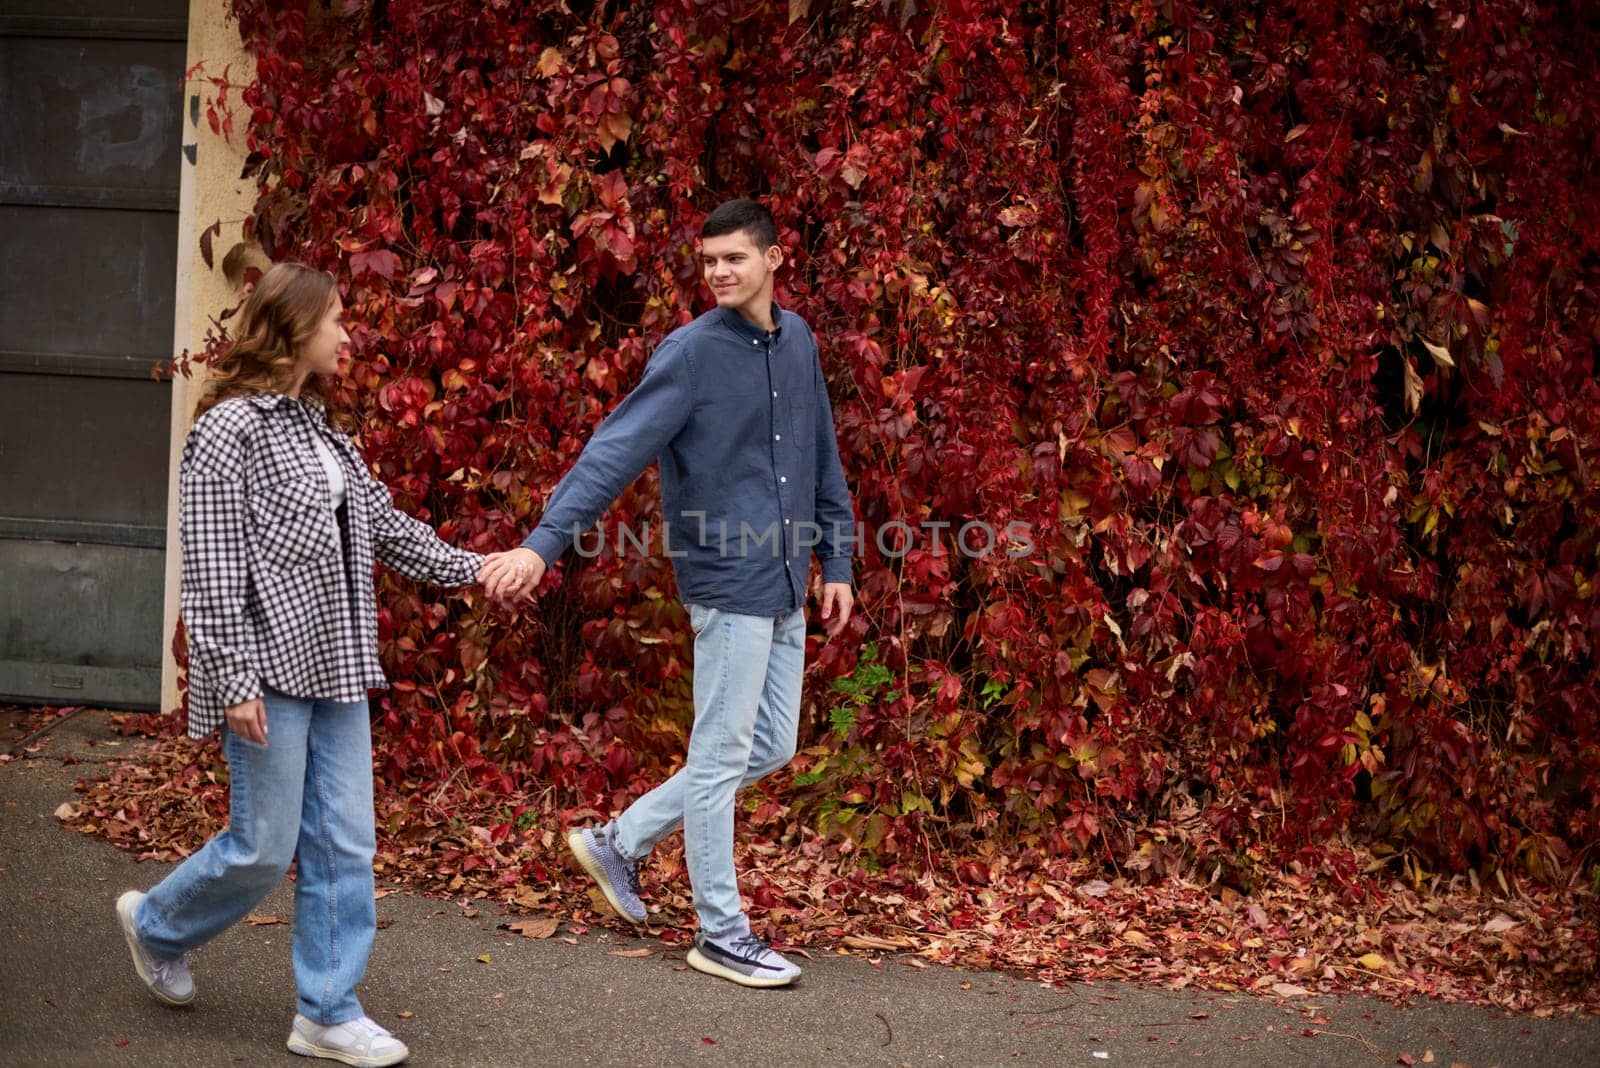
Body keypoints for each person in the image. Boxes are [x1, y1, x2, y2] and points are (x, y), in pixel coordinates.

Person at [116, 262, 520, 1066]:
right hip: (264, 670)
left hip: (337, 664)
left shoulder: (318, 428)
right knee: (263, 847)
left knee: (345, 844)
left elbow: (386, 526)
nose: (347, 334)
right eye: (336, 319)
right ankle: (157, 924)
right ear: (294, 327)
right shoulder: (227, 431)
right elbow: (214, 564)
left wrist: (474, 567)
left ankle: (326, 1012)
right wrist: (230, 678)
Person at [481, 198, 857, 988]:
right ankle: (721, 932)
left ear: (773, 259)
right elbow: (611, 453)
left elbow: (822, 453)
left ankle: (621, 841)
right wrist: (542, 544)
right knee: (720, 757)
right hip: (727, 579)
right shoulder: (689, 355)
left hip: (789, 577)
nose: (719, 272)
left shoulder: (799, 345)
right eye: (709, 261)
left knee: (770, 746)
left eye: (734, 259)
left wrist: (841, 559)